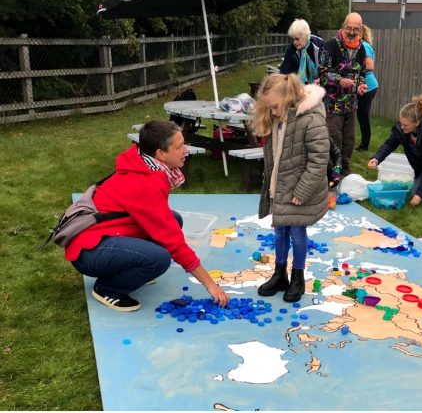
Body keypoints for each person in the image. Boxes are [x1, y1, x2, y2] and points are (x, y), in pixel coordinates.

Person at [66, 121, 231, 311]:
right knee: (159, 258)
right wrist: (210, 284)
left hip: (103, 235)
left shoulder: (144, 162)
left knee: (174, 219)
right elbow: (173, 242)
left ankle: (136, 268)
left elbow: (164, 224)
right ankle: (108, 289)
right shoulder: (145, 183)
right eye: (179, 147)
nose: (186, 150)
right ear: (160, 154)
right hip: (89, 252)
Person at [251, 74, 330, 303]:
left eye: (274, 106)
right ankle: (279, 273)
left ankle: (298, 276)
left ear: (287, 97)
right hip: (281, 187)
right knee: (280, 231)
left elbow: (319, 160)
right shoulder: (279, 117)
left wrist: (302, 191)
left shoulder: (310, 119)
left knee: (297, 233)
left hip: (300, 191)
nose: (273, 111)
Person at [318, 12, 369, 178]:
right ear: (343, 26)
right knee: (334, 139)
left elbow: (362, 72)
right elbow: (323, 73)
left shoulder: (362, 49)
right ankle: (331, 172)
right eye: (349, 28)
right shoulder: (330, 46)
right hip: (332, 105)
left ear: (361, 30)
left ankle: (345, 172)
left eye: (356, 29)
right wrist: (339, 80)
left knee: (349, 141)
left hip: (351, 105)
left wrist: (361, 85)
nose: (352, 32)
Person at [278, 19, 325, 84]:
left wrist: (322, 79)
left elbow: (327, 67)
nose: (294, 42)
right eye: (292, 39)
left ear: (305, 36)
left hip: (320, 84)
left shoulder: (320, 45)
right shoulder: (291, 51)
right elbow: (285, 71)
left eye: (297, 39)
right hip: (299, 85)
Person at [355, 25, 379, 152]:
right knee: (361, 115)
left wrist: (353, 68)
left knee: (363, 116)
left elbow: (370, 65)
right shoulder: (361, 46)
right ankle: (363, 144)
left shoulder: (363, 46)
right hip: (366, 86)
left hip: (368, 86)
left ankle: (364, 146)